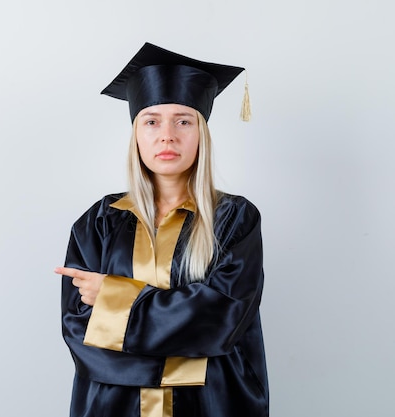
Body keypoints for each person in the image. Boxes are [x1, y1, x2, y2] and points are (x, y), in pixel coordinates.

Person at [54, 42, 268, 417]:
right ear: (136, 132)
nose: (167, 135)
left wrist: (113, 298)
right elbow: (81, 334)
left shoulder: (234, 219)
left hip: (211, 405)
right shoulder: (99, 222)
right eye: (151, 120)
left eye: (183, 120)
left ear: (201, 132)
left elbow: (221, 321)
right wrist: (186, 348)